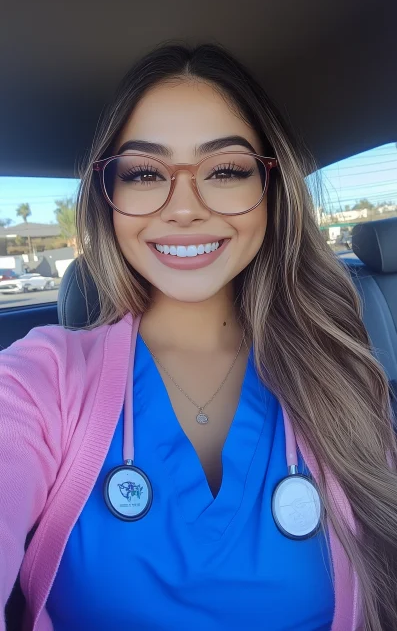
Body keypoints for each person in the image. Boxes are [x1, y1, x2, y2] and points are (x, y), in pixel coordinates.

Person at [1, 43, 397, 631]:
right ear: (109, 198)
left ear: (272, 189)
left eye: (226, 170)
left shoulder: (341, 374)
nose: (184, 209)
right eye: (143, 173)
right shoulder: (44, 379)